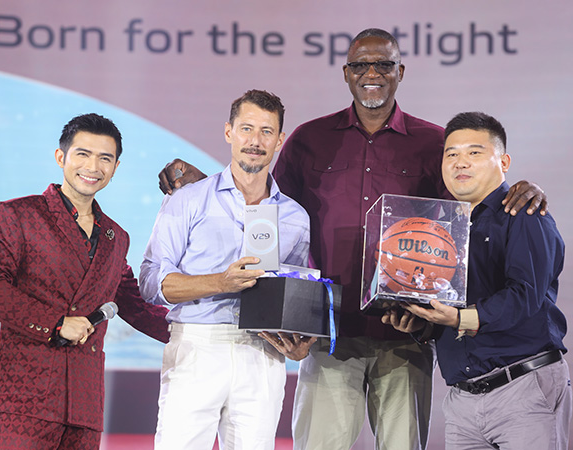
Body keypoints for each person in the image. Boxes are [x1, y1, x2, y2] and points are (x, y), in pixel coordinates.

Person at [158, 29, 548, 450]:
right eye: (360, 65)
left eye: (383, 64)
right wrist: (206, 184)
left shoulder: (435, 144)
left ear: (400, 71)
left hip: (405, 335)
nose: (372, 74)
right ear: (346, 73)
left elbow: (471, 198)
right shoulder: (309, 140)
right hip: (328, 335)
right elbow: (264, 203)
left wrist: (517, 187)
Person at [0, 113, 171, 450]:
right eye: (83, 154)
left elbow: (136, 307)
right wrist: (55, 324)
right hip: (27, 395)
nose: (93, 166)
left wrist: (203, 331)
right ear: (61, 157)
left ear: (116, 167)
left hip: (85, 401)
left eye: (104, 158)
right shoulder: (17, 215)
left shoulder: (116, 237)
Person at [382, 111, 571, 449]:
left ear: (504, 161)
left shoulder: (525, 214)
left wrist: (458, 318)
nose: (460, 163)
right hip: (462, 401)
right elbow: (449, 306)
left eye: (474, 152)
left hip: (523, 388)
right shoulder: (441, 231)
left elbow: (524, 296)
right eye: (451, 154)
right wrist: (421, 324)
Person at [139, 89, 313, 450]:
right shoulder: (187, 199)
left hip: (262, 354)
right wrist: (222, 281)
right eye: (246, 128)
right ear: (228, 132)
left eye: (267, 131)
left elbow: (291, 295)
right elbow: (152, 281)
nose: (255, 141)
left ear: (280, 140)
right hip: (197, 346)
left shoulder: (295, 217)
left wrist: (297, 345)